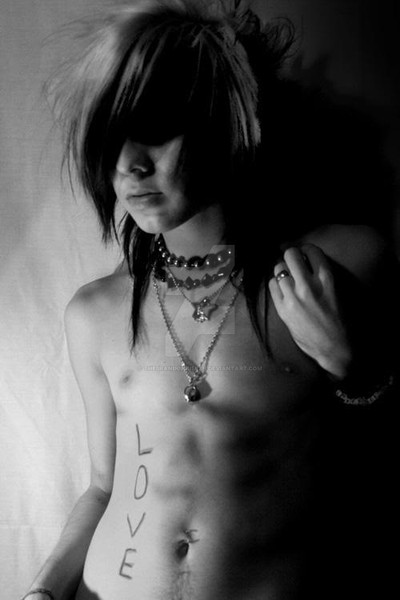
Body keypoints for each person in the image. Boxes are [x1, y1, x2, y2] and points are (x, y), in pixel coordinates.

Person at [23, 1, 399, 599]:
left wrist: (360, 372)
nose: (129, 165)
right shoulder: (94, 313)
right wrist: (42, 590)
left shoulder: (339, 267)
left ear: (224, 122)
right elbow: (102, 487)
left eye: (155, 129)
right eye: (111, 138)